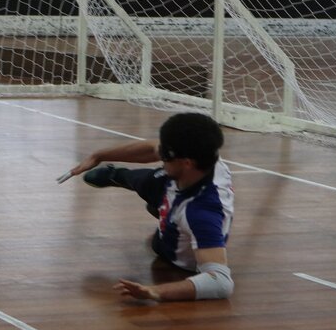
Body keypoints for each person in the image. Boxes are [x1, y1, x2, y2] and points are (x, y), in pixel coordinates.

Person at [66, 112, 234, 302]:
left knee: (160, 198)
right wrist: (99, 155)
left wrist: (156, 291)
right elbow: (152, 149)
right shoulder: (202, 155)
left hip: (170, 248)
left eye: (165, 156)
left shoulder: (200, 214)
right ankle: (118, 175)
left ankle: (163, 214)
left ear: (187, 162)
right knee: (149, 179)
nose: (160, 156)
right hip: (175, 191)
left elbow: (221, 282)